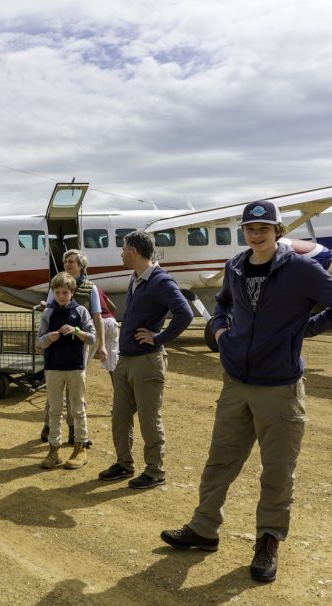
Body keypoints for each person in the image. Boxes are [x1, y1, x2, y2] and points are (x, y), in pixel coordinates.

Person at [161, 200, 332, 583]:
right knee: (220, 461)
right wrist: (221, 331)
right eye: (251, 229)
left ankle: (268, 541)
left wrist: (305, 329)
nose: (257, 235)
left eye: (264, 229)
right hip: (236, 381)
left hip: (280, 387)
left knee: (276, 471)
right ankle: (204, 529)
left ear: (277, 231)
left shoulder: (301, 269)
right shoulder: (236, 265)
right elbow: (222, 303)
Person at [98, 230, 193, 489]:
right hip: (126, 359)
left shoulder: (161, 281)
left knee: (149, 420)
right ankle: (124, 464)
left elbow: (184, 313)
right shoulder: (137, 277)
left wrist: (159, 338)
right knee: (119, 416)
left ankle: (154, 471)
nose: (120, 252)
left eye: (123, 248)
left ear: (134, 252)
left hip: (147, 361)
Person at [40, 249, 106, 445]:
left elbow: (97, 317)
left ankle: (74, 431)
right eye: (65, 261)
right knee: (56, 388)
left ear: (81, 265)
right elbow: (49, 312)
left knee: (75, 390)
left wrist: (102, 345)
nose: (67, 264)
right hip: (56, 347)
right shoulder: (57, 285)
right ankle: (49, 427)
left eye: (71, 261)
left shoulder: (90, 288)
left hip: (79, 344)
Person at [36, 272, 95, 470]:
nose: (61, 296)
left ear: (72, 292)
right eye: (58, 292)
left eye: (65, 292)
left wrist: (77, 331)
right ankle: (54, 450)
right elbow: (39, 343)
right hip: (53, 367)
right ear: (53, 293)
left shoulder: (80, 311)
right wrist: (49, 338)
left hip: (75, 367)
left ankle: (80, 448)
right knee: (54, 410)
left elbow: (92, 338)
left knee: (78, 409)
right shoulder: (48, 313)